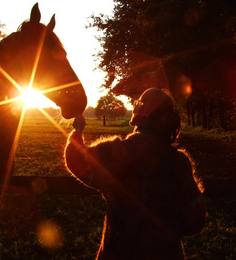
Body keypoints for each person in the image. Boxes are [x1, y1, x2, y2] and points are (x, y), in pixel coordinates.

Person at [65, 88, 205, 260]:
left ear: (144, 112)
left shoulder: (119, 153)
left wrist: (77, 131)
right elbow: (195, 222)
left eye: (139, 102)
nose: (135, 105)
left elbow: (77, 160)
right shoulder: (179, 162)